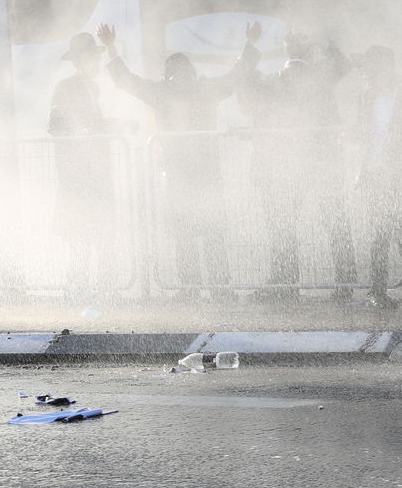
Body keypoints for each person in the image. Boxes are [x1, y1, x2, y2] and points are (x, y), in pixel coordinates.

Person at [97, 22, 257, 293]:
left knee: (187, 235)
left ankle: (191, 289)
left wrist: (111, 47)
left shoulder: (162, 92)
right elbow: (237, 75)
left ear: (166, 74)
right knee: (212, 232)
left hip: (178, 176)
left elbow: (127, 81)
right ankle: (221, 289)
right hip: (206, 174)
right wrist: (250, 43)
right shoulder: (204, 89)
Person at [241, 30, 358, 300]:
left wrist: (250, 46)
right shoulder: (316, 76)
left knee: (297, 222)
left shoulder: (282, 80)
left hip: (304, 163)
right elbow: (342, 64)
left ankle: (289, 283)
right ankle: (336, 283)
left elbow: (245, 85)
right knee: (323, 220)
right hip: (305, 162)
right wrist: (328, 42)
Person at [354, 46, 402, 311]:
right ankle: (378, 292)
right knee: (379, 236)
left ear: (382, 71)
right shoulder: (365, 99)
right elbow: (362, 135)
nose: (364, 75)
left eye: (368, 70)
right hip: (375, 176)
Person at [47, 32, 117, 292]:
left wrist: (116, 125)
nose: (97, 63)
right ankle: (77, 288)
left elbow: (95, 124)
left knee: (101, 232)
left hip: (96, 171)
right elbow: (55, 124)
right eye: (94, 57)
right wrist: (79, 133)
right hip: (77, 174)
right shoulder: (65, 87)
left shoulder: (93, 88)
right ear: (81, 60)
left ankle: (104, 288)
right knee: (80, 235)